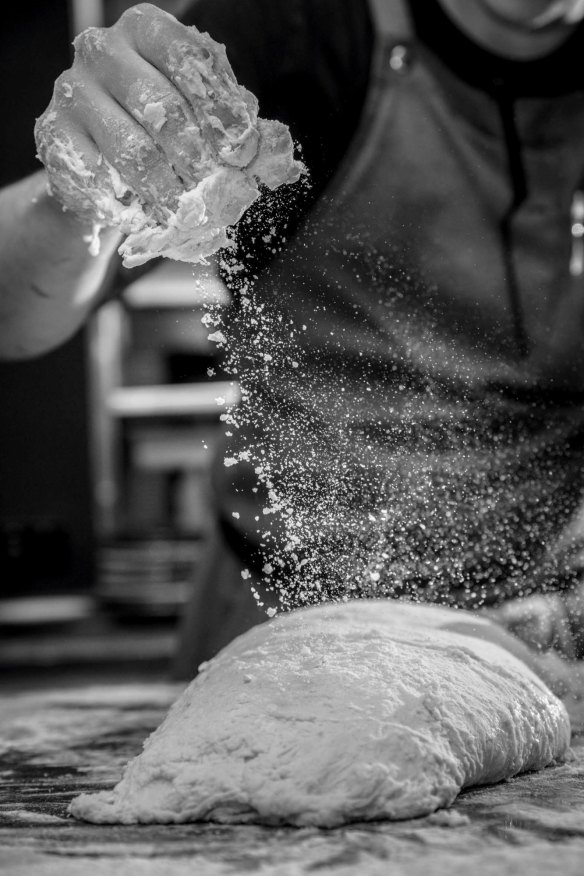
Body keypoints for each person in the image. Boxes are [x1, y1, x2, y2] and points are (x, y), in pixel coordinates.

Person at [7, 0, 584, 676]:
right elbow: (13, 318)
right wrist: (76, 190)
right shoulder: (299, 27)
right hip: (288, 625)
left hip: (556, 641)